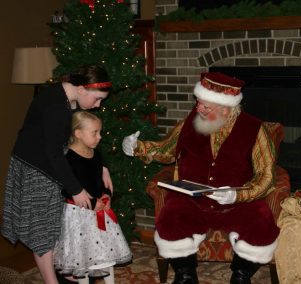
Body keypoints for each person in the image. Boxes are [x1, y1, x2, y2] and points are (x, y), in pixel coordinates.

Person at [122, 72, 280, 284]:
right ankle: (185, 274)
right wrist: (137, 147)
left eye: (206, 106)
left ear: (226, 108)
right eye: (198, 103)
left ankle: (241, 275)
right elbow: (167, 149)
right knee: (170, 218)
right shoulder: (190, 122)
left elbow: (267, 175)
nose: (198, 109)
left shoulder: (255, 129)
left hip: (236, 201)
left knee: (262, 224)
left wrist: (238, 195)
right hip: (191, 199)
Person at [1, 65, 113, 284]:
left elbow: (77, 142)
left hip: (52, 166)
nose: (98, 105)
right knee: (41, 231)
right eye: (97, 99)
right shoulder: (54, 104)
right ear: (82, 88)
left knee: (56, 224)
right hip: (36, 169)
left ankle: (64, 271)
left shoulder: (69, 99)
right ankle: (51, 281)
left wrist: (102, 165)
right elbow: (53, 152)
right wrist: (76, 189)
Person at [54, 111, 132, 284]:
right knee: (84, 256)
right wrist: (90, 203)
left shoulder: (95, 154)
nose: (100, 137)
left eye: (100, 132)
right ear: (78, 133)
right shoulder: (68, 158)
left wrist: (106, 195)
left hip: (99, 212)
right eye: (95, 133)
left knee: (105, 252)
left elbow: (101, 181)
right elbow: (67, 189)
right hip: (78, 215)